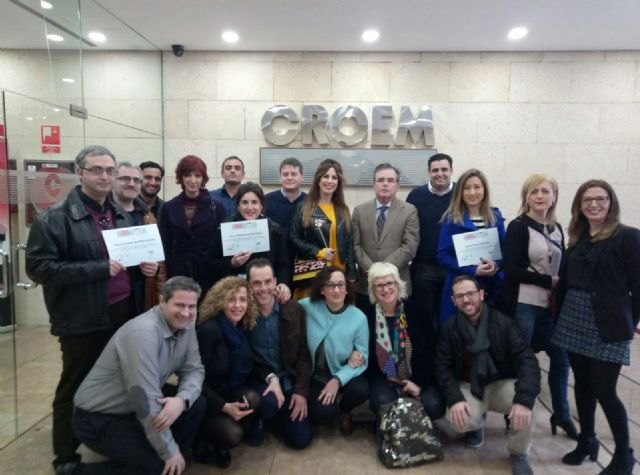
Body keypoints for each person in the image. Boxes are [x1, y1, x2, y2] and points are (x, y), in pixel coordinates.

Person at [25, 145, 159, 474]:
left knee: (125, 380)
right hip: (83, 318)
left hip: (123, 311)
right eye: (96, 170)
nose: (104, 176)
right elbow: (38, 268)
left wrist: (145, 269)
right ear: (80, 172)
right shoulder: (55, 218)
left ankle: (115, 437)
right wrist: (97, 268)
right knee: (75, 384)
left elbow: (125, 263)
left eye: (109, 170)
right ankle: (66, 456)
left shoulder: (123, 215)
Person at [72, 276, 206, 475]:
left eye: (191, 306)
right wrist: (167, 452)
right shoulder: (142, 333)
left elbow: (194, 370)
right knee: (159, 467)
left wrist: (182, 400)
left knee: (196, 403)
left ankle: (174, 460)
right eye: (179, 305)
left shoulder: (186, 324)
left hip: (134, 409)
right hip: (99, 418)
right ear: (162, 301)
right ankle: (77, 472)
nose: (186, 313)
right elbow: (144, 400)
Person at [552, 180, 640, 474]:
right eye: (587, 200)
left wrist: (631, 323)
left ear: (611, 202)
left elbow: (638, 287)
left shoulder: (627, 236)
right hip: (574, 317)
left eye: (600, 199)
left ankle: (623, 455)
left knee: (604, 389)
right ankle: (587, 441)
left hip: (609, 323)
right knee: (583, 385)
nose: (594, 204)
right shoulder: (577, 237)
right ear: (579, 205)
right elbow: (565, 281)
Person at [435, 276, 540, 475]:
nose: (466, 300)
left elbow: (528, 361)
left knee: (529, 406)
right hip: (469, 385)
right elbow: (442, 367)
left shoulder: (504, 323)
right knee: (459, 421)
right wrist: (455, 399)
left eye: (470, 294)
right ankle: (477, 423)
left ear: (481, 294)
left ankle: (518, 453)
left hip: (501, 383)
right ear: (453, 301)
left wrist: (523, 399)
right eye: (460, 296)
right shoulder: (449, 328)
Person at [499, 174, 576, 439]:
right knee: (522, 360)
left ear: (554, 196)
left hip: (551, 307)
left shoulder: (557, 228)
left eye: (545, 191)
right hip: (525, 304)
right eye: (535, 192)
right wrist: (548, 280)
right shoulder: (518, 226)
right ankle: (516, 415)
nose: (540, 196)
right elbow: (510, 269)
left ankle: (562, 415)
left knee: (561, 358)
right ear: (527, 197)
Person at [195, 276, 263, 468]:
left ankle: (225, 427)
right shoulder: (209, 330)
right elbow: (194, 380)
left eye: (242, 300)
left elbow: (252, 362)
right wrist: (224, 406)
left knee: (254, 398)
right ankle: (204, 438)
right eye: (231, 299)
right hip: (205, 398)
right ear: (220, 301)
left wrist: (272, 377)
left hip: (228, 388)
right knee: (233, 435)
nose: (237, 305)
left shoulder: (241, 326)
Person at [246, 258, 313, 449]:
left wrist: (301, 391)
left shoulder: (293, 309)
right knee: (268, 404)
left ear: (276, 282)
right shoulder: (243, 312)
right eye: (256, 283)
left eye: (268, 281)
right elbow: (246, 356)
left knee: (302, 440)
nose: (263, 288)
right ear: (249, 286)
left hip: (288, 379)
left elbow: (303, 354)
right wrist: (270, 377)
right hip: (260, 381)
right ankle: (259, 418)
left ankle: (277, 417)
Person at [365, 262, 444, 421]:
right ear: (373, 290)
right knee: (382, 402)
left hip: (417, 374)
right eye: (379, 285)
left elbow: (431, 351)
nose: (386, 289)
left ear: (398, 284)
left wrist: (419, 383)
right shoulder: (367, 316)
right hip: (384, 377)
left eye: (389, 283)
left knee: (434, 406)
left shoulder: (417, 311)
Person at [299, 266, 369, 435]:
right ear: (322, 289)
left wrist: (337, 380)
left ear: (347, 289)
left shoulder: (359, 317)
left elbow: (363, 356)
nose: (336, 290)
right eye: (330, 285)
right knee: (323, 415)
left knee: (361, 390)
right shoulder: (308, 306)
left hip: (343, 370)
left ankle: (345, 410)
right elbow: (285, 305)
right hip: (317, 375)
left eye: (341, 285)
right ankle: (333, 409)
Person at [437, 168, 505, 324]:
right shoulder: (451, 219)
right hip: (462, 286)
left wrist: (495, 265)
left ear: (484, 190)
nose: (472, 192)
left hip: (491, 285)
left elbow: (505, 252)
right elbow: (442, 256)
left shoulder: (496, 217)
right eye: (467, 188)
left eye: (477, 187)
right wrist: (473, 270)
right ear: (460, 192)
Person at [352, 163, 419, 313]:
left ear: (397, 185)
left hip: (397, 283)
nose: (385, 184)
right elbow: (355, 245)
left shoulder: (409, 211)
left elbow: (409, 247)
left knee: (397, 332)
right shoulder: (359, 211)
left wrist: (383, 273)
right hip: (366, 285)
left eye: (390, 180)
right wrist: (373, 271)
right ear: (374, 184)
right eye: (380, 180)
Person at [158, 155, 225, 297]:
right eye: (187, 175)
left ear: (203, 178)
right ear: (181, 178)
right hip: (178, 272)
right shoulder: (168, 207)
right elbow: (165, 244)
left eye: (197, 175)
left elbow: (221, 245)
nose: (193, 180)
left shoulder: (217, 207)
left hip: (207, 273)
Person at [290, 159, 355, 298]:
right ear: (318, 179)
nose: (330, 181)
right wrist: (318, 252)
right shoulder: (304, 207)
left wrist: (351, 276)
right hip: (314, 274)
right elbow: (294, 239)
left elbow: (349, 244)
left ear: (338, 182)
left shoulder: (343, 209)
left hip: (339, 274)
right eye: (326, 176)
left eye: (334, 177)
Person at [406, 153, 455, 331]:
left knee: (450, 320)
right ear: (428, 172)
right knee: (424, 319)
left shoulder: (461, 194)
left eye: (444, 169)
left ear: (451, 171)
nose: (440, 174)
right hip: (423, 268)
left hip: (453, 267)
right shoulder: (415, 196)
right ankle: (426, 358)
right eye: (435, 170)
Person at [218, 182, 291, 291]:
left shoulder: (274, 230)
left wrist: (282, 283)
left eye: (254, 202)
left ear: (261, 205)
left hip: (265, 290)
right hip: (234, 291)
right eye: (244, 202)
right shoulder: (225, 229)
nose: (250, 207)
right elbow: (212, 263)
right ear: (238, 206)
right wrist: (231, 263)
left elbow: (283, 265)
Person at [113, 161, 166, 310]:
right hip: (110, 296)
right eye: (125, 179)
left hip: (142, 292)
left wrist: (154, 269)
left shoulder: (147, 216)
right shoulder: (103, 214)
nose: (131, 184)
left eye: (136, 180)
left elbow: (159, 260)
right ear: (113, 180)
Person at [265, 157, 307, 236]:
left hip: (303, 248)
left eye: (294, 174)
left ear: (302, 177)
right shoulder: (266, 200)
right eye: (285, 174)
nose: (289, 178)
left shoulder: (310, 202)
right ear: (280, 178)